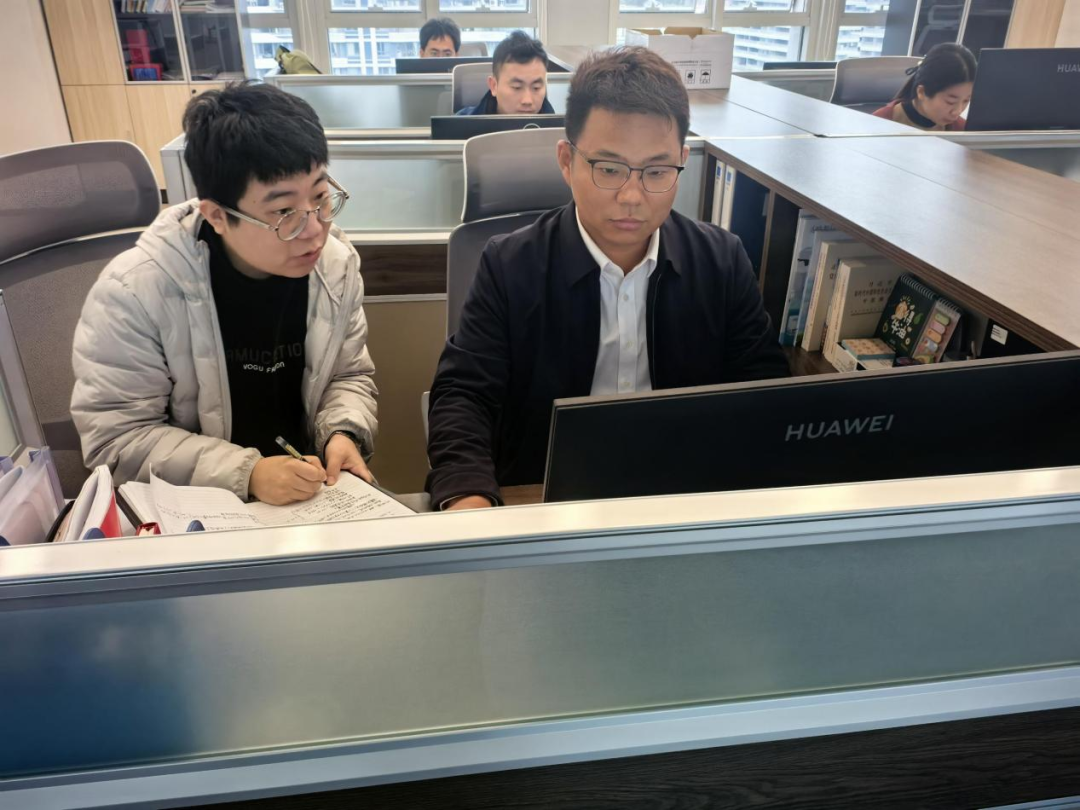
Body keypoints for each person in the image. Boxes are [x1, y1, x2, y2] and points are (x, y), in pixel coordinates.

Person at [427, 47, 790, 511]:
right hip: (545, 503)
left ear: (682, 161)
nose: (632, 196)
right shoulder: (509, 265)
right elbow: (464, 396)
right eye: (609, 169)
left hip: (680, 504)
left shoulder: (721, 262)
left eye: (657, 171)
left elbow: (762, 396)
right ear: (566, 160)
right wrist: (468, 495)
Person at [71, 82, 378, 506]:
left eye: (321, 197)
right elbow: (118, 439)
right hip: (198, 512)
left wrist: (342, 432)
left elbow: (347, 375)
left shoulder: (335, 267)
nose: (314, 230)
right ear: (217, 215)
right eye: (284, 212)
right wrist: (247, 473)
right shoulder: (135, 292)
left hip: (309, 499)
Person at [872, 43, 976, 132]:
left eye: (966, 101)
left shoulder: (962, 130)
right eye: (950, 102)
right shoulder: (879, 123)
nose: (957, 111)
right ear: (921, 92)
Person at [456, 30, 555, 115]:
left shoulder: (557, 128)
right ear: (494, 86)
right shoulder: (462, 126)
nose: (527, 101)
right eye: (517, 87)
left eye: (536, 88)